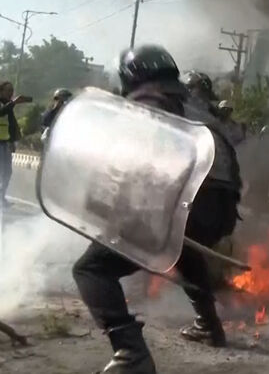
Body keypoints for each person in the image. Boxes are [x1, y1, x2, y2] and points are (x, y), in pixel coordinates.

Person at [72, 45, 241, 374]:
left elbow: (133, 164)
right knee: (183, 250)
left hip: (185, 203)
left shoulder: (147, 102)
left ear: (130, 76)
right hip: (219, 214)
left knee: (91, 269)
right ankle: (209, 325)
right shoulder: (198, 107)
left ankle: (130, 353)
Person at [0, 81, 29, 206]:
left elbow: (11, 125)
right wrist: (14, 103)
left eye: (12, 90)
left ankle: (1, 198)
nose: (11, 93)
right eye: (8, 90)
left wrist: (12, 141)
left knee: (7, 172)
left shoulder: (8, 105)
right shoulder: (7, 105)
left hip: (5, 143)